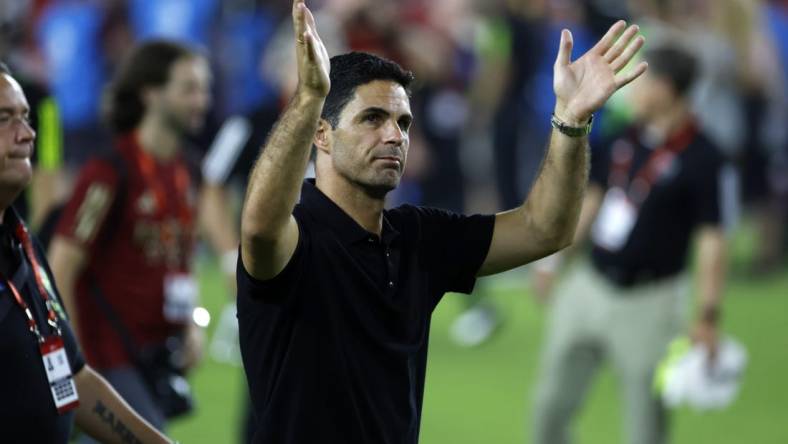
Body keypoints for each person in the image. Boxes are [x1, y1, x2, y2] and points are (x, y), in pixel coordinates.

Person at [237, 1, 647, 442]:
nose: (394, 135)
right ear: (322, 133)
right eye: (372, 118)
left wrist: (571, 119)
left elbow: (545, 228)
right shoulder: (297, 239)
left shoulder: (418, 238)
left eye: (403, 122)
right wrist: (308, 98)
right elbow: (259, 227)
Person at [530, 44, 732, 444]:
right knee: (549, 408)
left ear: (667, 88)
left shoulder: (707, 158)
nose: (631, 91)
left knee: (646, 427)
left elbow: (713, 239)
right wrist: (554, 262)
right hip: (590, 285)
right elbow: (592, 201)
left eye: (644, 81)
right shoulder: (622, 136)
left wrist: (707, 315)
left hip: (651, 301)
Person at [48, 40, 217, 434]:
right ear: (150, 93)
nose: (202, 101)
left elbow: (181, 257)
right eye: (189, 88)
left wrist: (191, 324)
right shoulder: (109, 173)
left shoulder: (188, 171)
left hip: (157, 360)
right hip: (108, 359)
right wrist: (77, 362)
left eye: (204, 89)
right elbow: (61, 265)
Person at [0, 62, 175, 444]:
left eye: (26, 118)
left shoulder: (21, 244)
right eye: (5, 119)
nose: (27, 134)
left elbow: (72, 378)